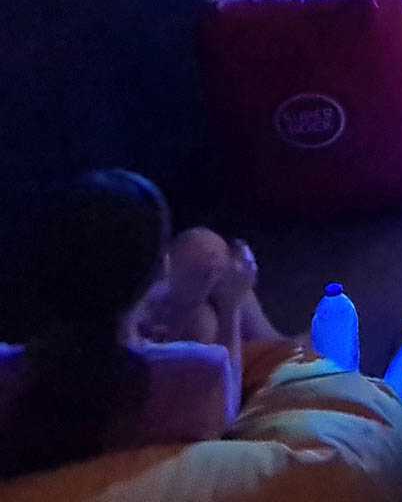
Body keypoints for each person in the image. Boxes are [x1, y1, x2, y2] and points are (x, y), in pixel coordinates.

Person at [0, 171, 283, 477]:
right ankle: (286, 347)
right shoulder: (200, 371)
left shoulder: (9, 372)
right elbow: (225, 414)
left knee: (203, 265)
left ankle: (282, 342)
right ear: (162, 267)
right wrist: (231, 307)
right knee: (206, 295)